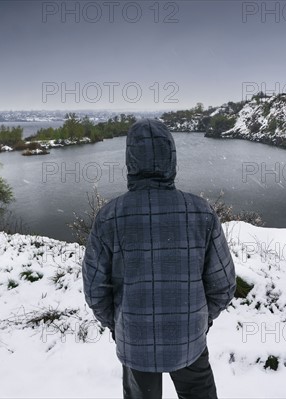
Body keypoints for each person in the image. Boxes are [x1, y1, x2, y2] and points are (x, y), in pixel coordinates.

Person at [82, 119, 236, 399]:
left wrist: (118, 324)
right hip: (189, 337)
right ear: (171, 157)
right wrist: (201, 319)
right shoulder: (200, 212)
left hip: (134, 338)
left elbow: (95, 289)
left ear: (130, 160)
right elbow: (223, 284)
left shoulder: (110, 216)